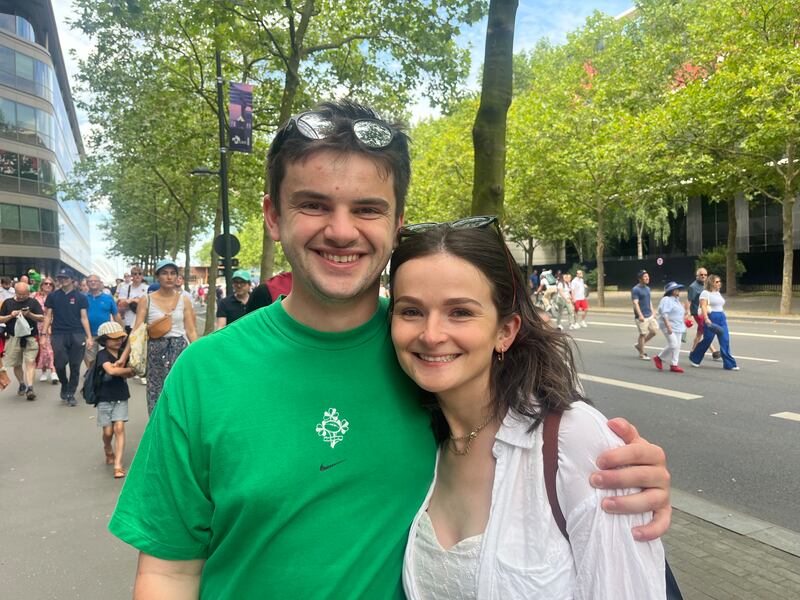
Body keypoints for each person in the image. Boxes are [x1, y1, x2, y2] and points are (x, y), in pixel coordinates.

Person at [109, 101, 671, 598]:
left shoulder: (430, 357)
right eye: (312, 205)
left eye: (368, 209)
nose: (341, 230)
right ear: (273, 217)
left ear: (398, 223)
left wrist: (620, 479)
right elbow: (169, 573)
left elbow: (537, 439)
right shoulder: (204, 373)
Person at [390, 220, 665, 598]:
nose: (432, 334)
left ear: (505, 331)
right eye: (410, 312)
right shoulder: (418, 435)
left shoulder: (574, 440)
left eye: (460, 313)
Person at [125, 259, 198, 414]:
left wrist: (200, 354)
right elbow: (136, 331)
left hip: (179, 350)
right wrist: (124, 357)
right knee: (156, 392)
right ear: (157, 276)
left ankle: (177, 431)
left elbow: (191, 331)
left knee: (179, 392)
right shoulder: (147, 299)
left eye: (173, 273)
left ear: (178, 277)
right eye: (164, 273)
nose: (169, 277)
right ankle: (156, 430)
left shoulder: (184, 300)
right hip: (155, 350)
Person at [42, 269, 92, 406]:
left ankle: (71, 392)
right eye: (60, 278)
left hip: (77, 333)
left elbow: (84, 318)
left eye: (65, 277)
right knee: (59, 363)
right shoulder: (53, 296)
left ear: (72, 280)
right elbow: (48, 316)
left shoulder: (81, 297)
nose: (62, 280)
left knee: (75, 365)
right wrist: (43, 334)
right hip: (59, 334)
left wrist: (89, 337)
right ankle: (64, 383)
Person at [94, 321, 135, 479]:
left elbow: (132, 370)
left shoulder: (124, 353)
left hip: (121, 396)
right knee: (108, 431)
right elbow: (110, 370)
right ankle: (107, 447)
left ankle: (118, 465)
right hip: (104, 397)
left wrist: (126, 370)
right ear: (104, 340)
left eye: (121, 338)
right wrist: (128, 370)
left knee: (119, 428)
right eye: (114, 338)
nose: (118, 341)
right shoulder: (102, 355)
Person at [0, 282, 45, 400]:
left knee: (30, 362)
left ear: (28, 293)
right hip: (13, 337)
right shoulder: (8, 303)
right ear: (15, 292)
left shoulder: (33, 302)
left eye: (24, 294)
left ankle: (30, 387)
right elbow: (0, 319)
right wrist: (10, 315)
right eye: (19, 294)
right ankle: (21, 383)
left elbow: (42, 317)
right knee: (17, 364)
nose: (21, 297)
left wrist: (29, 314)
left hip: (30, 337)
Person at [689, 274, 739, 370]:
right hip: (711, 317)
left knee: (725, 340)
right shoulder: (705, 293)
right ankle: (694, 357)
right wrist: (706, 318)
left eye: (719, 281)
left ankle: (729, 364)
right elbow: (703, 306)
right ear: (711, 282)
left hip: (721, 317)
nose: (719, 283)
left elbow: (719, 305)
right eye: (717, 282)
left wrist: (722, 315)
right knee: (707, 340)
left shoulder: (718, 292)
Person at [84, 274, 122, 368]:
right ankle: (91, 376)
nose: (93, 282)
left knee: (106, 358)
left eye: (95, 281)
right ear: (87, 283)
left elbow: (116, 314)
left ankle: (103, 377)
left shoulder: (108, 298)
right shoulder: (82, 298)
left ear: (100, 283)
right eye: (90, 281)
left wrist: (121, 331)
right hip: (88, 334)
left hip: (105, 335)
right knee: (90, 359)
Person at [653, 282, 690, 373]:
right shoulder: (666, 299)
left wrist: (686, 316)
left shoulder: (676, 300)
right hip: (668, 325)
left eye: (678, 289)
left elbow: (679, 314)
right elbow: (664, 313)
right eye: (676, 289)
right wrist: (668, 325)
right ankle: (659, 358)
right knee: (673, 344)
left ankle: (674, 364)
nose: (678, 291)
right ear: (671, 291)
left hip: (678, 326)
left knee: (677, 346)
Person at [686, 267, 720, 360]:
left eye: (705, 275)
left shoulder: (706, 285)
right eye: (701, 275)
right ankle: (713, 351)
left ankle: (693, 351)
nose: (703, 276)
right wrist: (687, 314)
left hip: (705, 311)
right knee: (705, 330)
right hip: (697, 313)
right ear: (697, 276)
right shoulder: (693, 287)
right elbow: (689, 301)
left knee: (700, 333)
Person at [33, 277, 59, 384]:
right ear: (42, 285)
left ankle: (53, 370)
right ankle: (43, 371)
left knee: (51, 348)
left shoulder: (56, 297)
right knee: (42, 348)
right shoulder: (35, 296)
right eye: (45, 283)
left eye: (50, 284)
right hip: (37, 325)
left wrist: (50, 325)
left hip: (52, 324)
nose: (48, 285)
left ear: (53, 286)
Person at [632, 269, 658, 360]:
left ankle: (639, 345)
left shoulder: (647, 288)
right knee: (643, 334)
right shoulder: (635, 289)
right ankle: (642, 354)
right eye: (645, 277)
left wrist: (653, 311)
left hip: (649, 315)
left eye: (647, 276)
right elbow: (635, 303)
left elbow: (649, 300)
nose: (647, 278)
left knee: (654, 331)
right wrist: (640, 315)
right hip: (641, 316)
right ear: (640, 279)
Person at [116, 267, 149, 335]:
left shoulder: (147, 288)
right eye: (135, 274)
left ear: (142, 276)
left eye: (140, 274)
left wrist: (132, 300)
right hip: (129, 320)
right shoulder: (125, 287)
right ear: (131, 276)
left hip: (142, 321)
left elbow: (149, 303)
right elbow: (120, 304)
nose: (137, 275)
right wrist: (133, 300)